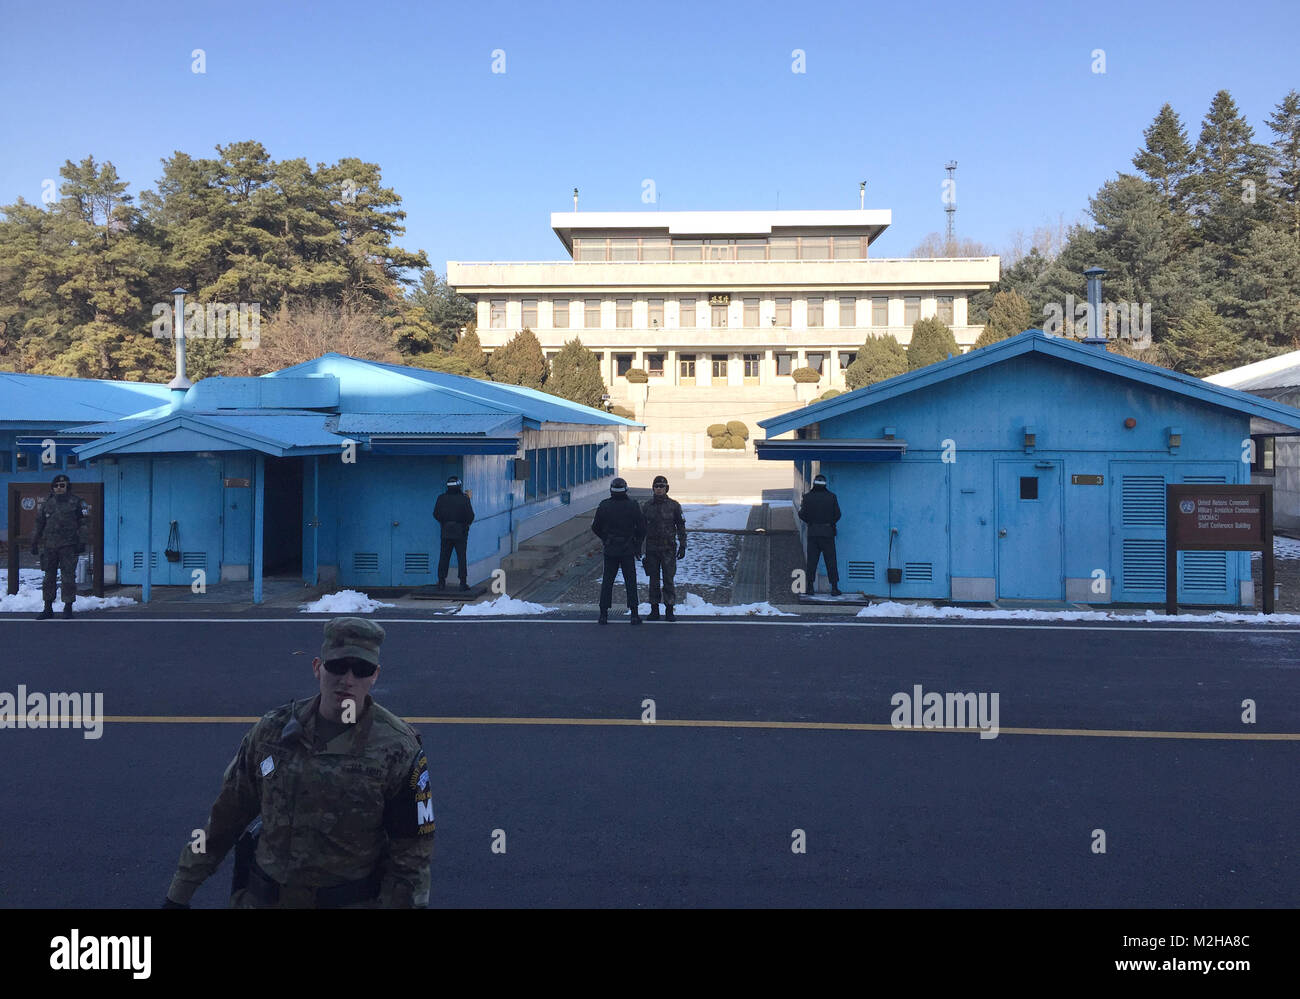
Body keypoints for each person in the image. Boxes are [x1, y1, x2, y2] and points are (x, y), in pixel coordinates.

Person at [163, 618, 435, 908]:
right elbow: (225, 819)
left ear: (375, 676)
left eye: (362, 670)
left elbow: (411, 855)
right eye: (338, 666)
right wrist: (179, 894)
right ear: (318, 667)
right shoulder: (272, 731)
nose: (347, 679)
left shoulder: (397, 747)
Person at [31, 473, 88, 620]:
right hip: (49, 546)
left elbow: (84, 524)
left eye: (62, 485)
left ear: (67, 487)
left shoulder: (76, 502)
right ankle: (47, 608)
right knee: (48, 577)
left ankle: (68, 607)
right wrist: (34, 541)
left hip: (68, 546)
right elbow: (39, 523)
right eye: (56, 486)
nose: (58, 488)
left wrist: (82, 541)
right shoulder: (47, 503)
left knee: (68, 577)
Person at [592, 477, 646, 625]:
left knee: (607, 581)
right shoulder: (633, 505)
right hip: (628, 548)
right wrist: (637, 544)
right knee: (630, 582)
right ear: (625, 489)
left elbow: (595, 527)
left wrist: (605, 538)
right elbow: (642, 528)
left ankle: (603, 614)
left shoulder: (604, 505)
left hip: (610, 549)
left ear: (611, 490)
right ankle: (634, 614)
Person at [640, 475, 687, 622]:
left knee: (668, 580)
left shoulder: (674, 505)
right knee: (653, 581)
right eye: (656, 486)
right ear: (653, 488)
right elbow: (641, 528)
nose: (659, 489)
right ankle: (654, 609)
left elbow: (681, 526)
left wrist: (683, 544)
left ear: (667, 488)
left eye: (662, 486)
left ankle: (669, 609)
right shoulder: (647, 506)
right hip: (652, 549)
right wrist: (638, 547)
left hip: (669, 549)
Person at [798, 472, 842, 596]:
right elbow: (838, 514)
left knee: (812, 561)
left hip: (813, 533)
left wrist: (811, 522)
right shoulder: (832, 497)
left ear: (814, 484)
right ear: (825, 484)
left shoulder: (807, 497)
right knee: (831, 561)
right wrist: (830, 523)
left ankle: (810, 587)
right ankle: (834, 587)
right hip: (828, 533)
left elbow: (802, 514)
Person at [434, 474, 475, 591]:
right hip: (460, 532)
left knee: (444, 557)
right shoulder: (464, 499)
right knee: (461, 557)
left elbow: (436, 514)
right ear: (459, 486)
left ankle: (441, 582)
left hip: (446, 531)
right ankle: (462, 582)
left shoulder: (441, 498)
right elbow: (470, 516)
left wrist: (444, 522)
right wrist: (464, 525)